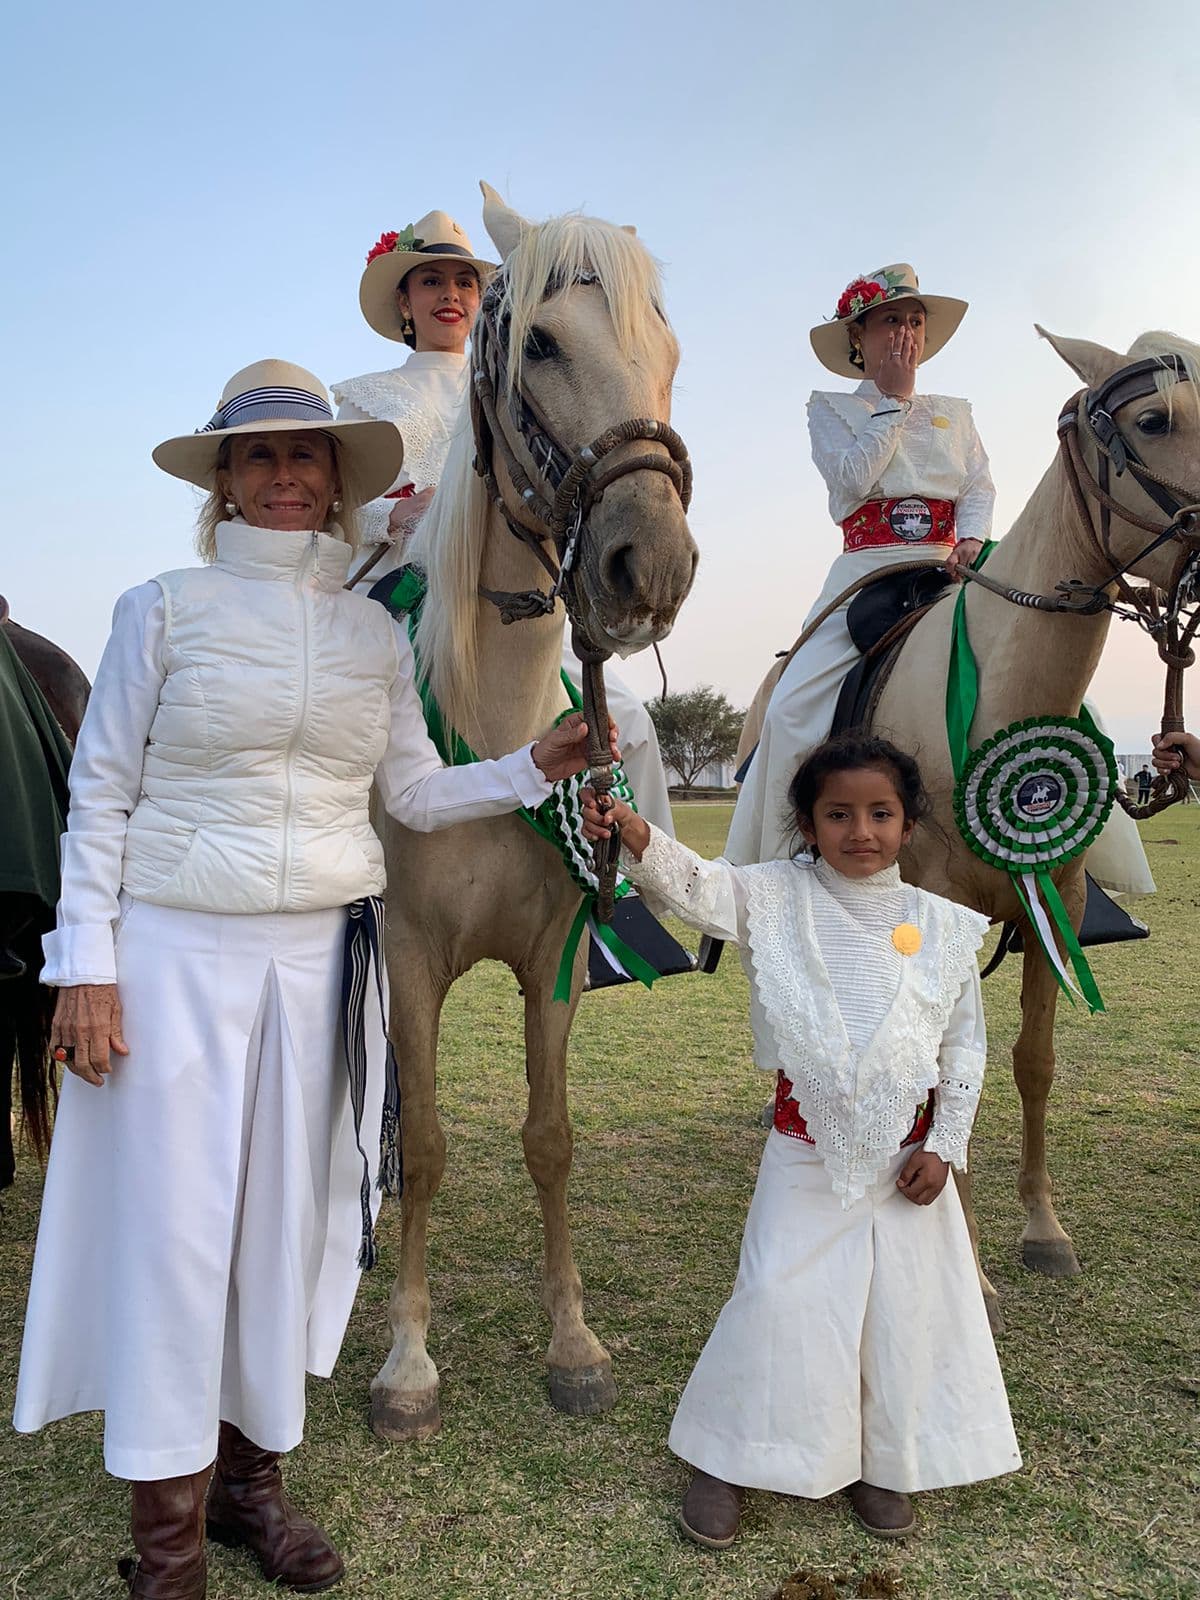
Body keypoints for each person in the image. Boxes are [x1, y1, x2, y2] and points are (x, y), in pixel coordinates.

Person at [12, 360, 610, 1600]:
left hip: (318, 962)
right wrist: (86, 967)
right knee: (181, 1238)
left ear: (338, 487)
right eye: (260, 458)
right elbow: (102, 795)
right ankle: (167, 1543)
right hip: (174, 952)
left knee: (290, 1225)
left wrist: (531, 765)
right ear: (224, 481)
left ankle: (250, 1490)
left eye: (307, 459)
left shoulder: (371, 629)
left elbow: (410, 794)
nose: (286, 477)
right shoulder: (160, 609)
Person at [583, 731, 1021, 1546]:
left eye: (881, 813)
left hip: (909, 1166)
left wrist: (946, 1145)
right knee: (778, 1299)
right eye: (839, 814)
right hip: (804, 1151)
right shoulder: (775, 895)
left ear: (909, 824)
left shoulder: (946, 926)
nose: (862, 831)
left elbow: (966, 1044)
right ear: (807, 823)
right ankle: (730, 1456)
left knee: (901, 1310)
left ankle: (885, 1460)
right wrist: (635, 833)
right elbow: (702, 889)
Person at [725, 265, 1154, 897]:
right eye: (891, 320)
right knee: (792, 709)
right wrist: (893, 403)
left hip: (954, 567)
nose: (905, 333)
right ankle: (786, 868)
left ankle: (1082, 863)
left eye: (914, 322)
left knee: (1064, 701)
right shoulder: (832, 410)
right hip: (868, 569)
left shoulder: (956, 414)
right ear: (859, 338)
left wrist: (974, 538)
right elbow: (849, 484)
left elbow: (978, 485)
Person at [332, 209, 677, 838]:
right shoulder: (364, 396)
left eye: (464, 282)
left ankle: (643, 876)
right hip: (405, 594)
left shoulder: (525, 374)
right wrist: (396, 513)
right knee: (349, 724)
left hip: (513, 602)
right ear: (403, 301)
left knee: (630, 721)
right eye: (430, 281)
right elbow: (339, 508)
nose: (451, 296)